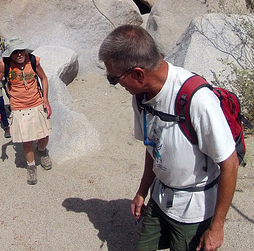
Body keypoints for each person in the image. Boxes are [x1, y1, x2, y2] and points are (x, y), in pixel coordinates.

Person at [98, 25, 239, 251]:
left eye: (114, 79)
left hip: (193, 210)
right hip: (160, 199)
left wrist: (217, 227)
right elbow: (153, 146)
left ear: (138, 74)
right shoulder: (141, 98)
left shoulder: (197, 100)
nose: (116, 84)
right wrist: (142, 191)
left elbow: (230, 164)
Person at [0, 36, 52, 185]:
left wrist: (46, 99)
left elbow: (44, 78)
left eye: (21, 50)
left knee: (44, 136)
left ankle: (42, 151)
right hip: (18, 107)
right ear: (10, 53)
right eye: (15, 52)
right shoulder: (4, 65)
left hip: (37, 103)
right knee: (27, 140)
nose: (19, 54)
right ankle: (31, 166)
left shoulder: (33, 60)